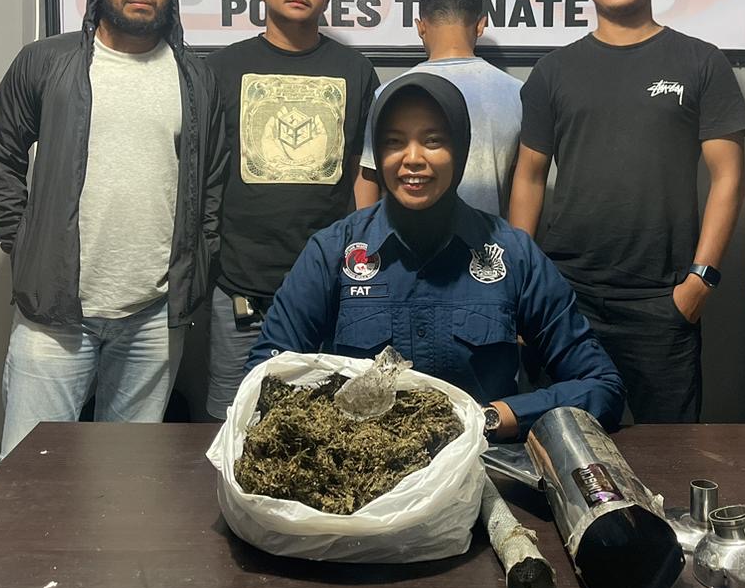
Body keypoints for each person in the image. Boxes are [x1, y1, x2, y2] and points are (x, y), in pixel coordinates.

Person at [246, 73, 625, 436]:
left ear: (460, 149)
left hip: (483, 463)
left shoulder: (512, 255)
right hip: (362, 469)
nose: (412, 158)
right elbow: (263, 377)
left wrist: (491, 418)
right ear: (378, 154)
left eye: (432, 141)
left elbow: (601, 385)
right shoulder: (334, 252)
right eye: (394, 142)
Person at [0, 0, 226, 460]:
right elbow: (0, 147)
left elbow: (211, 183)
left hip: (155, 314)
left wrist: (199, 260)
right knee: (28, 472)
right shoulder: (47, 61)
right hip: (56, 312)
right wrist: (22, 240)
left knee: (126, 473)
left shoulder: (195, 78)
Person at [509, 0, 745, 423]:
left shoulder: (701, 62)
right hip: (566, 296)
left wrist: (700, 281)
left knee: (669, 453)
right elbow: (528, 178)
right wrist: (522, 287)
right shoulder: (553, 71)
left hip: (662, 299)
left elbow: (729, 177)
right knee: (567, 446)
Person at [203, 0, 379, 420]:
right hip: (240, 286)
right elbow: (206, 175)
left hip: (328, 286)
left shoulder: (355, 71)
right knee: (234, 420)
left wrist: (359, 265)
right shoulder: (220, 69)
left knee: (329, 423)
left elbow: (363, 172)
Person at [354, 0, 522, 216]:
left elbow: (369, 177)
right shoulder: (517, 93)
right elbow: (524, 181)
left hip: (403, 237)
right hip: (488, 238)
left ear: (420, 26)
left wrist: (365, 236)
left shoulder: (390, 93)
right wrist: (517, 240)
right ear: (481, 25)